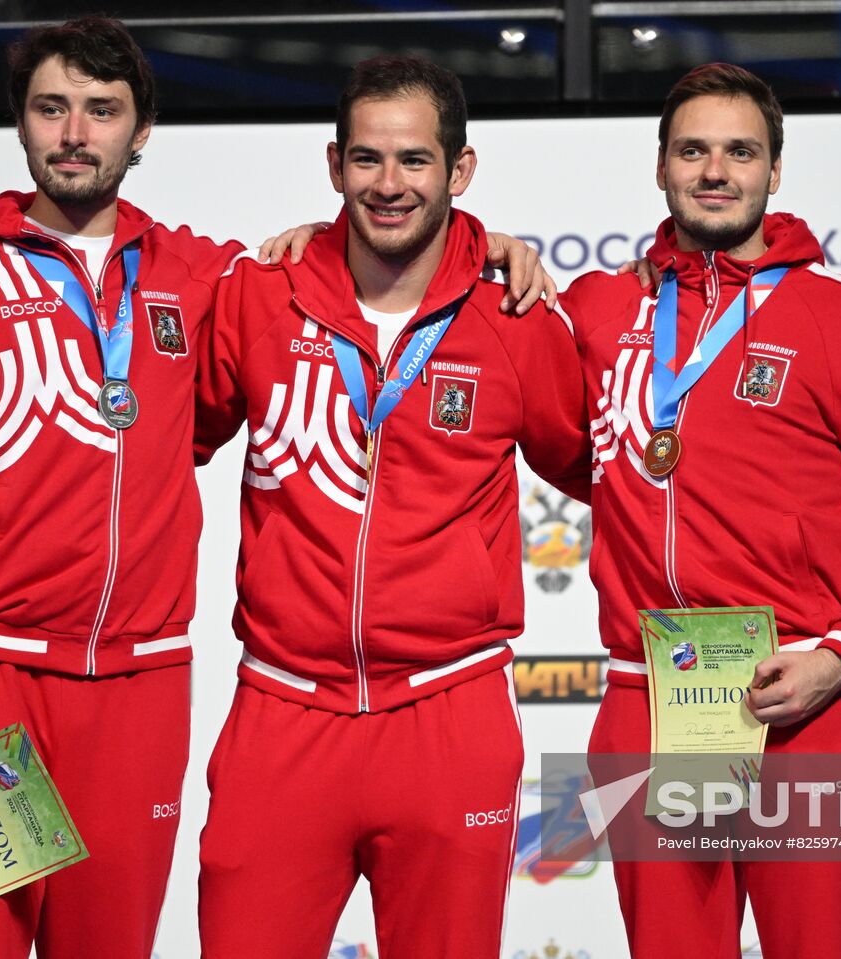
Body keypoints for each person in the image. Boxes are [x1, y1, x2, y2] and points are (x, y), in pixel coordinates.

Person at [260, 61, 841, 958]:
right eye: (693, 150)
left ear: (775, 170)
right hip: (654, 695)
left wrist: (840, 655)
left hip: (800, 697)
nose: (715, 171)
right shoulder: (603, 305)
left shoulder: (840, 317)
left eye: (739, 152)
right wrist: (358, 245)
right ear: (660, 166)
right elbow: (578, 444)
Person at [191, 56, 591, 958]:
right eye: (367, 160)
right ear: (334, 166)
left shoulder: (515, 319)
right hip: (282, 715)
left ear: (461, 170)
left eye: (415, 161)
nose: (389, 184)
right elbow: (156, 446)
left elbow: (613, 475)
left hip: (448, 712)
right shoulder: (262, 293)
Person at [0, 17, 241, 956]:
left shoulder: (193, 274)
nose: (75, 132)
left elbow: (346, 264)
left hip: (139, 688)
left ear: (140, 131)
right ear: (23, 126)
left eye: (102, 111)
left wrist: (489, 251)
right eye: (52, 108)